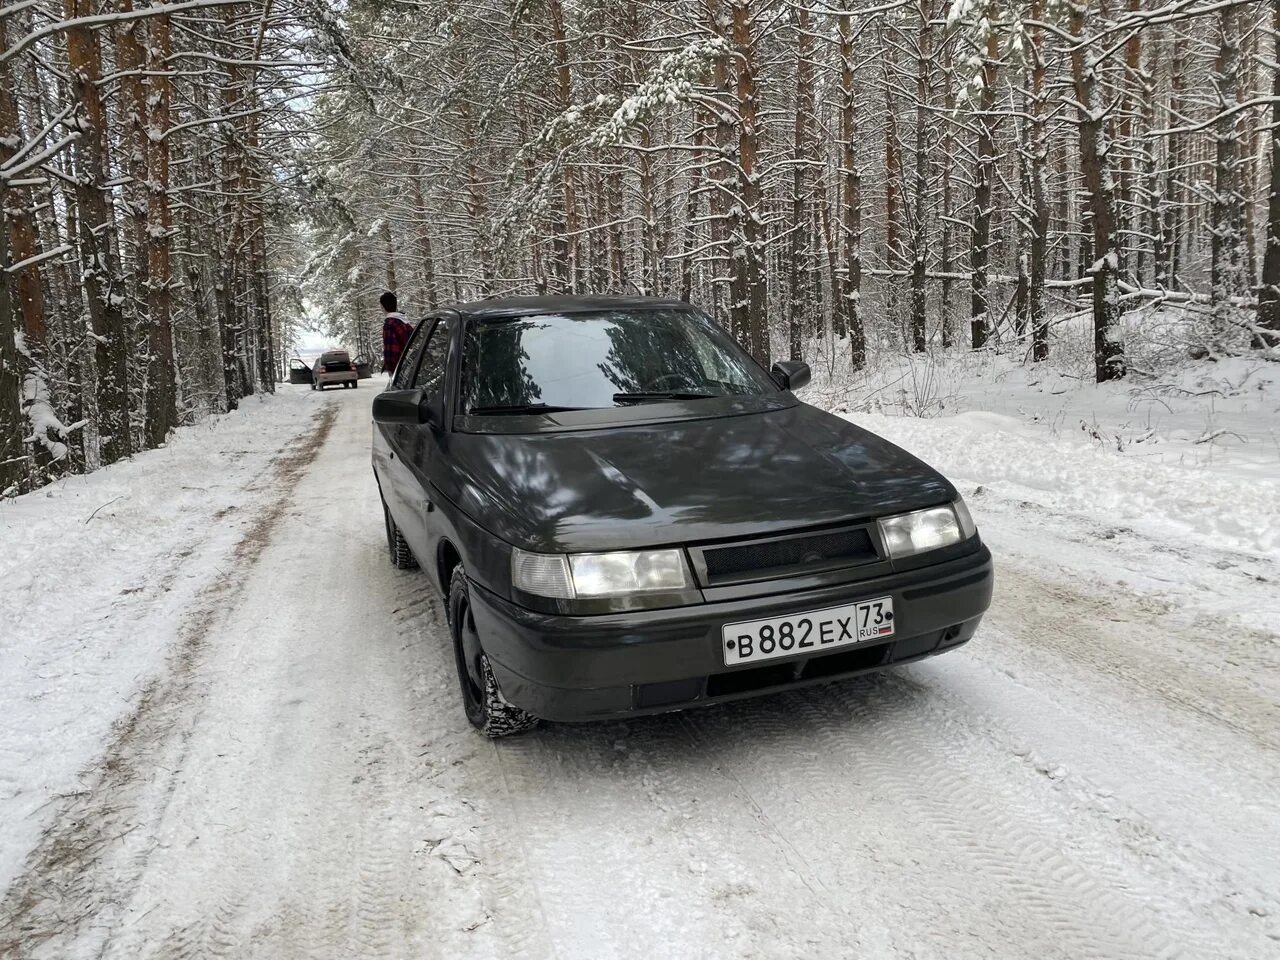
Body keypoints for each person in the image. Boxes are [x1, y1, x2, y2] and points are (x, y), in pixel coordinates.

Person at [380, 291, 413, 375]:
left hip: (399, 371)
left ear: (383, 307)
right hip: (410, 366)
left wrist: (390, 369)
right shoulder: (404, 322)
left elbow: (391, 350)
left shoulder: (389, 325)